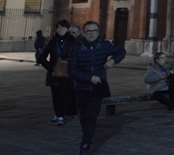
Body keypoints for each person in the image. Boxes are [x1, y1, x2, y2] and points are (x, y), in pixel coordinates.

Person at [67, 21, 126, 155]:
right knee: (83, 116)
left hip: (97, 88)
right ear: (84, 33)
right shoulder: (76, 48)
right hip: (81, 88)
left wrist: (113, 60)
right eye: (88, 31)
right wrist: (89, 78)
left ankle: (85, 145)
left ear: (98, 33)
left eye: (94, 31)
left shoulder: (105, 46)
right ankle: (88, 136)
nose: (91, 33)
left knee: (91, 116)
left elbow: (121, 51)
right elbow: (71, 70)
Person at [38, 20, 78, 126]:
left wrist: (72, 67)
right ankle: (58, 114)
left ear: (67, 29)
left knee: (64, 95)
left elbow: (78, 57)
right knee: (55, 95)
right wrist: (51, 68)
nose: (60, 30)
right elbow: (41, 57)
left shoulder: (72, 41)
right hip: (54, 75)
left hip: (67, 74)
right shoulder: (52, 41)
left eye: (63, 27)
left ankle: (61, 116)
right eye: (59, 27)